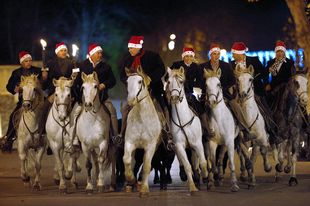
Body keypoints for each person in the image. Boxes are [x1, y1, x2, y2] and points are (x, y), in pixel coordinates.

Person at [119, 36, 170, 141]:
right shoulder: (127, 59)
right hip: (135, 94)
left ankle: (168, 133)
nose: (129, 50)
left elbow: (161, 69)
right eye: (129, 48)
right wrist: (130, 82)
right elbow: (122, 75)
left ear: (138, 47)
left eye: (131, 48)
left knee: (164, 107)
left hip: (154, 90)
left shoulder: (153, 56)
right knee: (125, 110)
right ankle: (121, 134)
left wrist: (150, 78)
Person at [230, 42, 279, 143]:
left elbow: (264, 73)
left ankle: (272, 132)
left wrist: (266, 84)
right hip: (238, 94)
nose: (233, 56)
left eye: (234, 54)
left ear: (240, 54)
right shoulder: (231, 64)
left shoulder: (254, 60)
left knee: (265, 109)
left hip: (255, 91)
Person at [1, 51, 47, 152]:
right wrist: (15, 88)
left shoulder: (38, 71)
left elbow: (44, 85)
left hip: (38, 101)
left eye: (30, 60)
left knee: (46, 113)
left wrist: (44, 78)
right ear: (22, 62)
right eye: (26, 61)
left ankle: (46, 136)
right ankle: (9, 139)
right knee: (13, 116)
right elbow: (8, 86)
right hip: (24, 101)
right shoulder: (16, 73)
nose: (29, 62)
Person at [37, 42, 77, 152]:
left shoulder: (72, 63)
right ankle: (41, 134)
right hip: (54, 92)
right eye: (61, 50)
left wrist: (74, 77)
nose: (64, 52)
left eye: (65, 50)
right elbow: (45, 85)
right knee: (45, 107)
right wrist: (44, 78)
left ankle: (77, 137)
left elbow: (76, 80)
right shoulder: (50, 64)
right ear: (57, 52)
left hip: (69, 93)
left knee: (78, 109)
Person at [74, 43, 118, 141]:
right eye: (98, 53)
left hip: (102, 98)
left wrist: (104, 84)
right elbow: (76, 83)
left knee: (112, 111)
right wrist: (79, 99)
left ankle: (115, 136)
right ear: (92, 54)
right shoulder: (82, 65)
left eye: (101, 53)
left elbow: (113, 80)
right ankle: (74, 139)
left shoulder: (106, 66)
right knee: (75, 114)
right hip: (85, 99)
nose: (100, 55)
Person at [265, 41, 295, 144]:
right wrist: (267, 84)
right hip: (274, 88)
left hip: (286, 87)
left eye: (281, 51)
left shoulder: (290, 62)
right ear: (275, 52)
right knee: (267, 101)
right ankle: (268, 121)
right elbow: (265, 75)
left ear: (284, 52)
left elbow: (291, 76)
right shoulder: (270, 62)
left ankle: (293, 118)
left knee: (293, 100)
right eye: (277, 51)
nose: (279, 53)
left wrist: (288, 86)